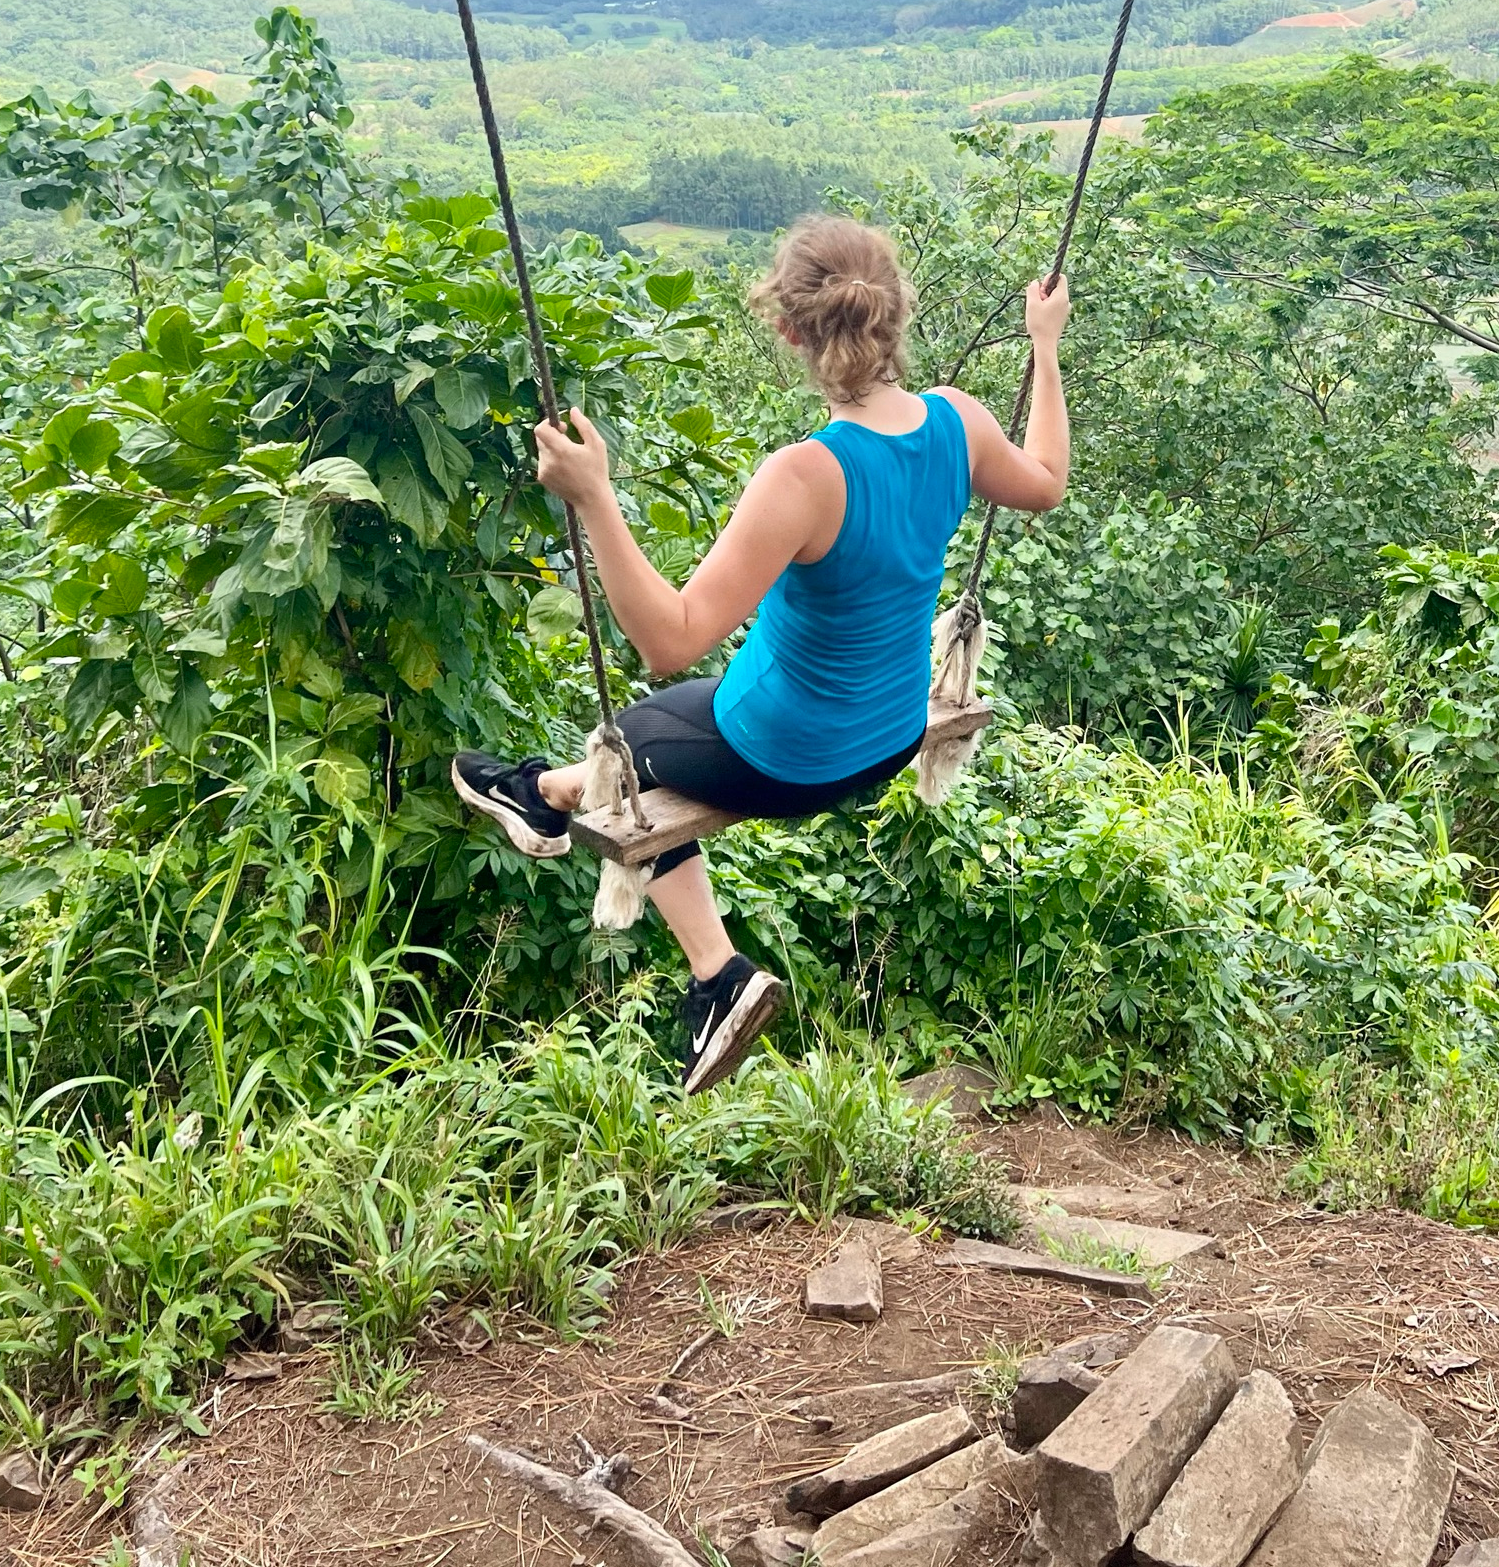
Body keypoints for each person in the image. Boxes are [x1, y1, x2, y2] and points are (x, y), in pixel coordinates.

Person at [452, 213, 1071, 1096]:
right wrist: (1043, 346)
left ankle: (716, 976)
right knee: (671, 719)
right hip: (889, 736)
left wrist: (595, 499)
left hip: (785, 756)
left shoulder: (804, 476)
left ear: (788, 330)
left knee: (627, 743)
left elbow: (668, 640)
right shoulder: (959, 423)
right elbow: (1044, 482)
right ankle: (543, 795)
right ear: (898, 310)